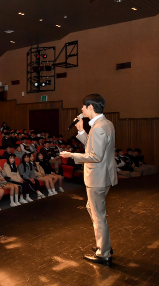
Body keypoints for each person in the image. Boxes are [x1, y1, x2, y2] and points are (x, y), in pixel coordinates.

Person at [60, 94, 117, 266]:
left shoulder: (99, 127)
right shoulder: (106, 124)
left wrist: (71, 155)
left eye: (83, 107)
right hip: (104, 175)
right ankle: (103, 244)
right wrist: (81, 131)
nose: (81, 110)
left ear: (90, 107)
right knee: (93, 209)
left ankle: (103, 253)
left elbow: (95, 155)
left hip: (97, 177)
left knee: (98, 215)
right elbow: (94, 146)